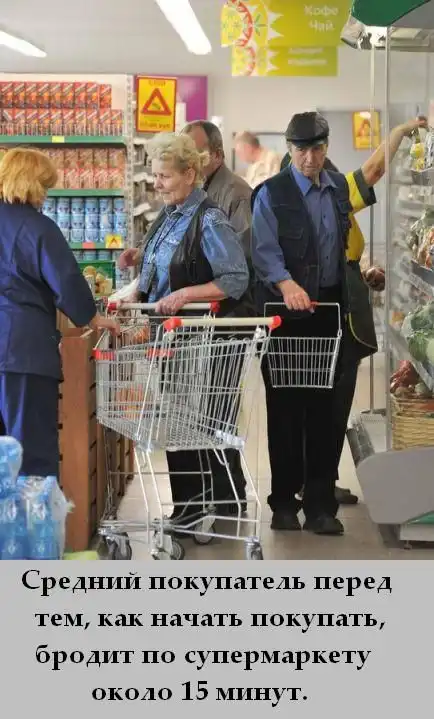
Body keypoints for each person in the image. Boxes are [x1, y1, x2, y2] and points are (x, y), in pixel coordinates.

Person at [251, 111, 426, 537]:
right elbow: (263, 250)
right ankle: (284, 504)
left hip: (332, 316)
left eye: (316, 149)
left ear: (326, 148)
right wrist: (286, 283)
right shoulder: (270, 194)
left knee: (327, 414)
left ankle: (320, 506)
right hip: (287, 318)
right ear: (290, 149)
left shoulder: (337, 191)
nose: (309, 158)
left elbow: (348, 231)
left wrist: (359, 274)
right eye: (301, 150)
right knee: (286, 410)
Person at [121, 132, 250, 525]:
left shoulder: (209, 219)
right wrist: (134, 290)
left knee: (188, 424)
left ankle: (195, 509)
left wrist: (184, 295)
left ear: (190, 174)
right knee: (177, 421)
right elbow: (158, 266)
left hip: (195, 338)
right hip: (167, 335)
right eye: (155, 176)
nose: (157, 184)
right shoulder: (169, 214)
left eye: (164, 176)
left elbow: (235, 278)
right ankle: (188, 508)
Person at [0, 148, 119, 479]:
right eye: (45, 186)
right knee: (30, 450)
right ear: (33, 184)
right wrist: (92, 317)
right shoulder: (38, 228)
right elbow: (66, 280)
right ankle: (32, 513)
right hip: (23, 351)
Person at [180, 120, 254, 510]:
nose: (187, 159)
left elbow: (239, 261)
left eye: (194, 152)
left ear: (217, 154)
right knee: (203, 407)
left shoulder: (235, 194)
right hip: (200, 315)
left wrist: (191, 282)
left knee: (218, 405)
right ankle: (219, 490)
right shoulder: (192, 192)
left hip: (229, 316)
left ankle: (228, 493)